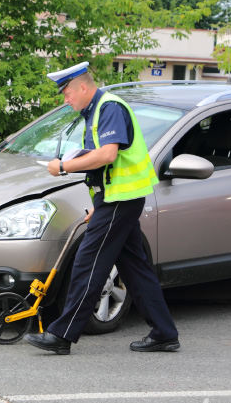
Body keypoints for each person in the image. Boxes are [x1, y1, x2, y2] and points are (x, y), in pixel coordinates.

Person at [24, 61, 180, 355]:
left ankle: (62, 334)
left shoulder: (108, 107)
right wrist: (100, 204)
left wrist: (63, 167)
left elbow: (107, 155)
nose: (65, 99)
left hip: (121, 200)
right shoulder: (96, 111)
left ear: (83, 86)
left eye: (67, 92)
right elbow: (108, 165)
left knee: (88, 262)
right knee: (135, 268)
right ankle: (164, 333)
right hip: (117, 199)